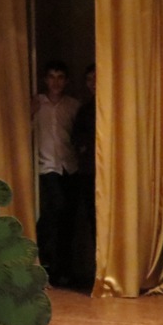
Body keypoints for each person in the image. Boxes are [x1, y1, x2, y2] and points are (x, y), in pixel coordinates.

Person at [32, 60, 81, 287]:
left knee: (68, 219)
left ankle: (63, 270)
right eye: (51, 77)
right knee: (54, 210)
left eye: (60, 77)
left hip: (70, 166)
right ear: (45, 80)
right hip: (47, 166)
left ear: (67, 81)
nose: (56, 82)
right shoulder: (37, 103)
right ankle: (42, 258)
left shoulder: (73, 105)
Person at [70, 63, 96, 289]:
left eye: (97, 78)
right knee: (93, 219)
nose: (93, 83)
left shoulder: (115, 107)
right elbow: (76, 139)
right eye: (89, 79)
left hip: (110, 174)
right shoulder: (85, 110)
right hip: (88, 172)